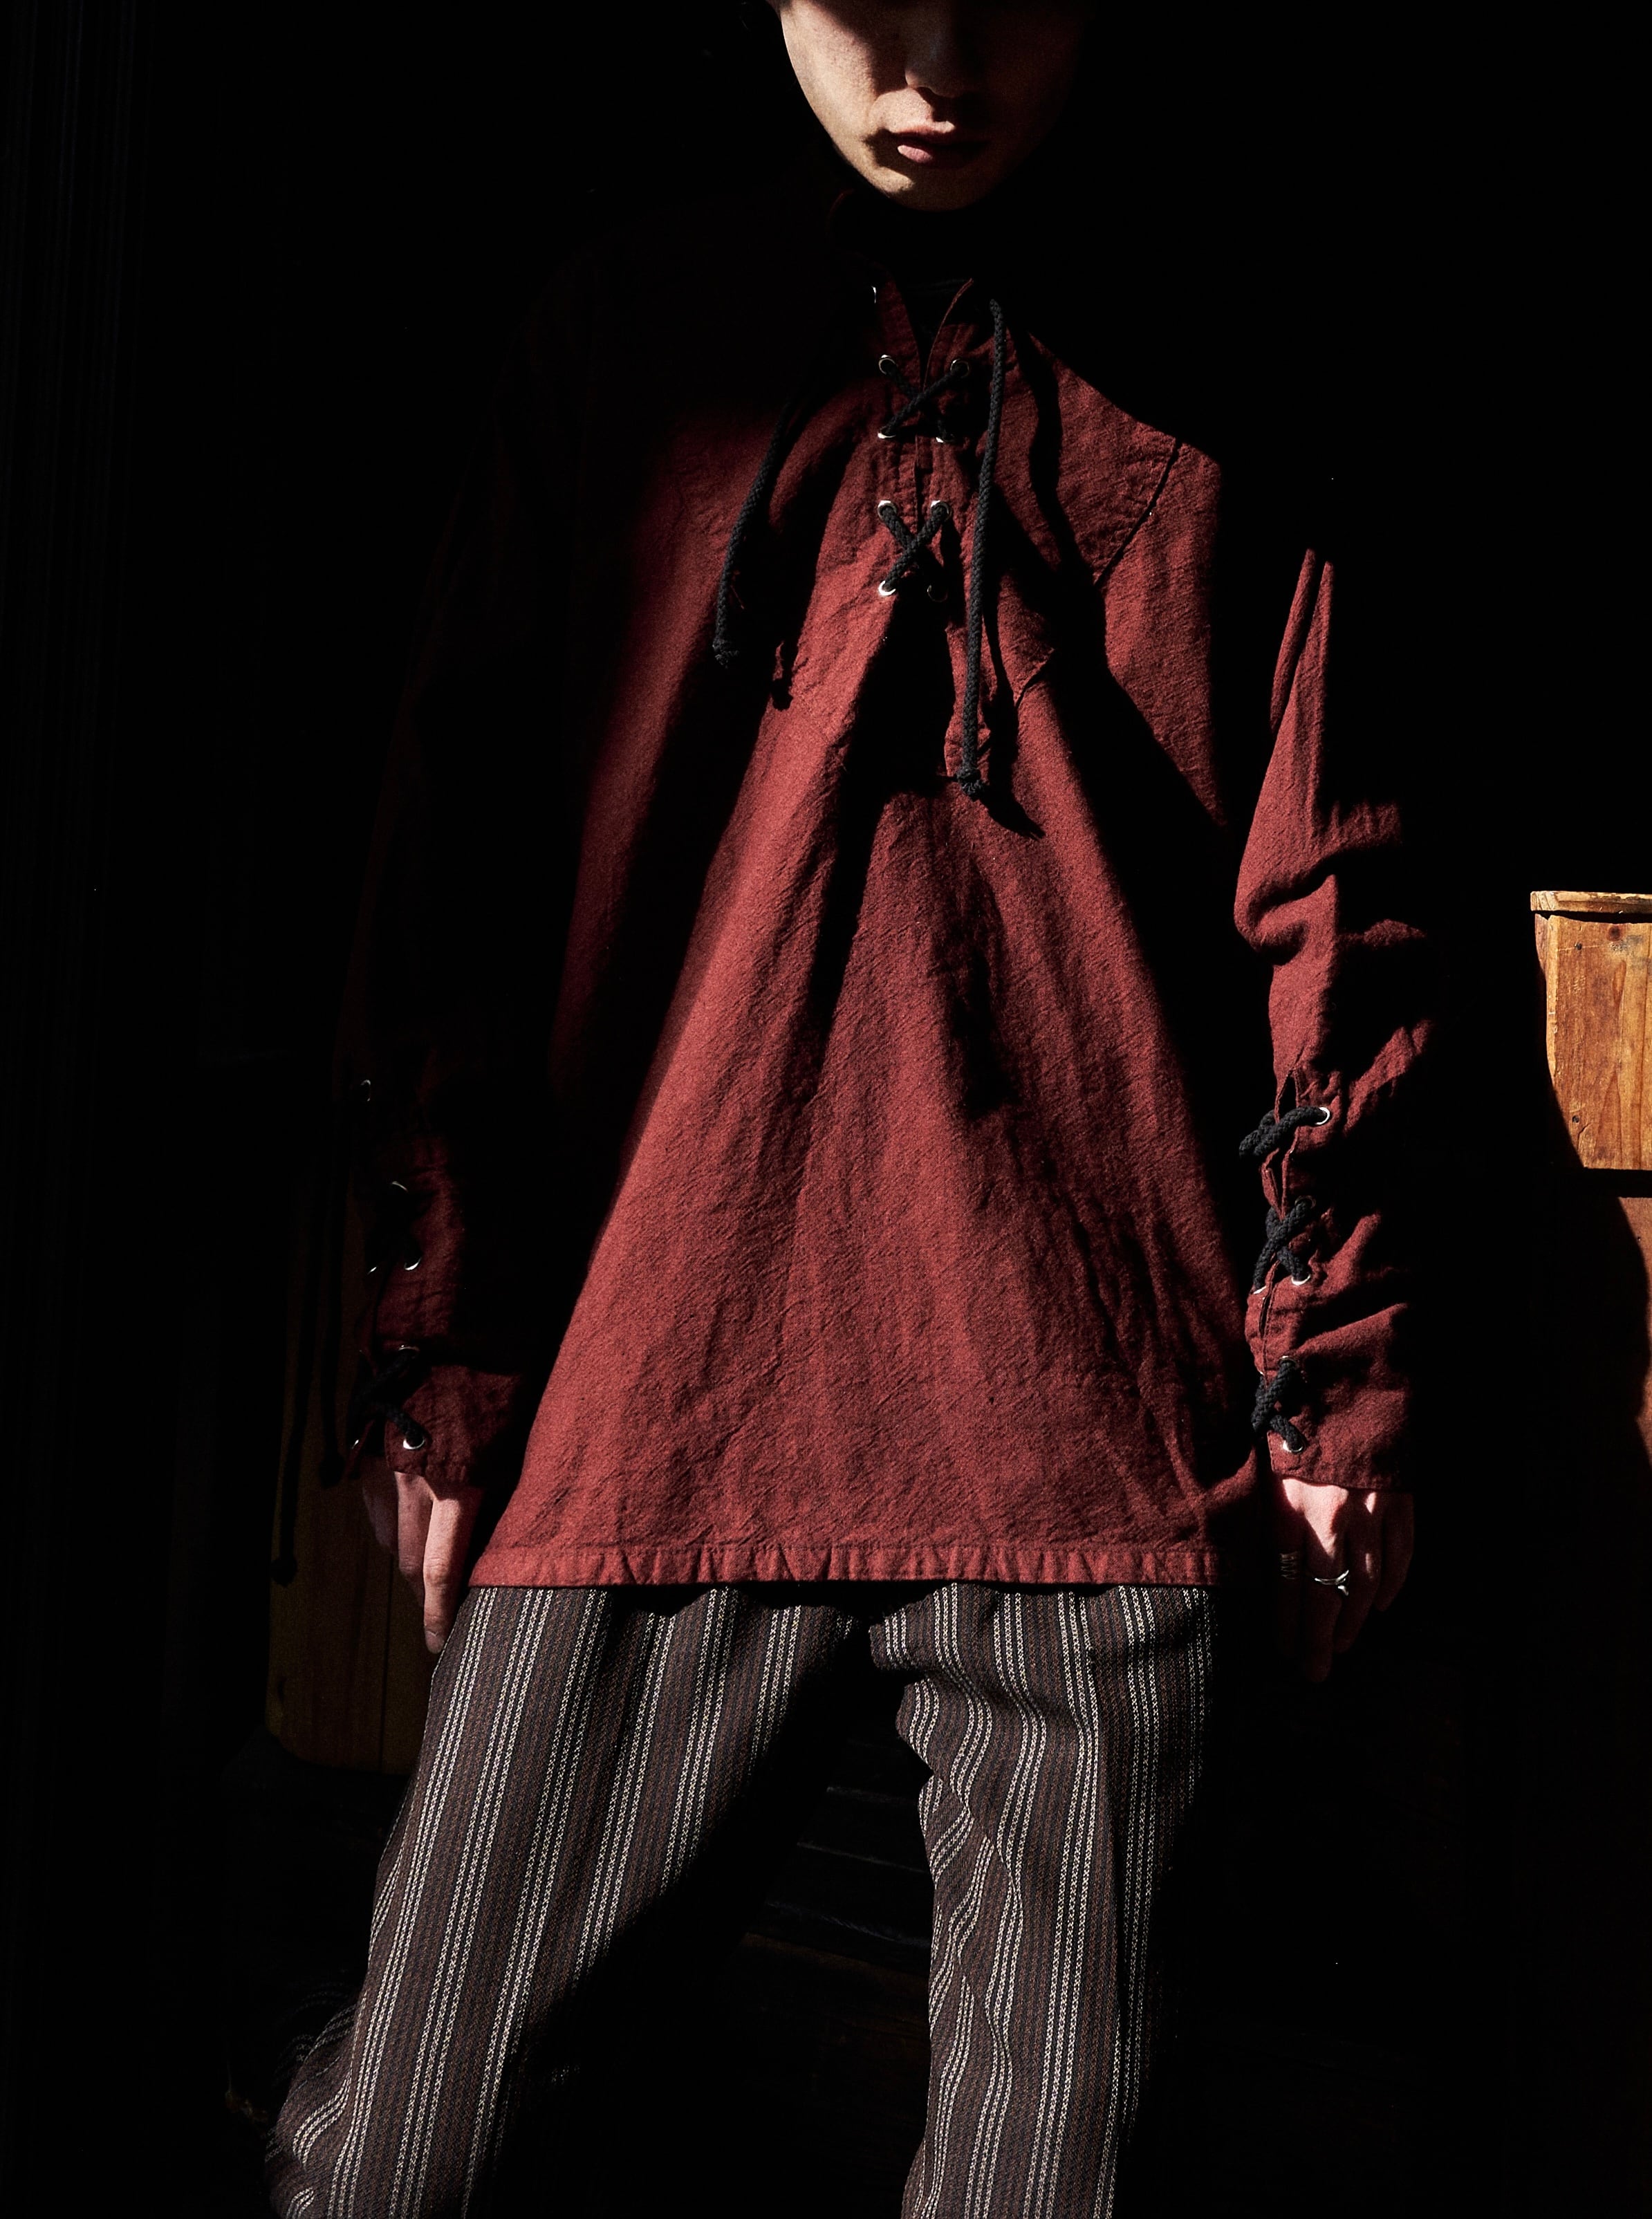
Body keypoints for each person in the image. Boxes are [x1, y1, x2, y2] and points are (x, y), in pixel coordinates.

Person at [268, 3, 1427, 2210]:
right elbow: (456, 865)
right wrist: (446, 1343)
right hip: (671, 1374)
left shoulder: (1227, 368)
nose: (936, 67)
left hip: (1085, 1413)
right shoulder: (624, 331)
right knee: (410, 2150)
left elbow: (1341, 897)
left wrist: (1335, 1376)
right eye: (874, 3)